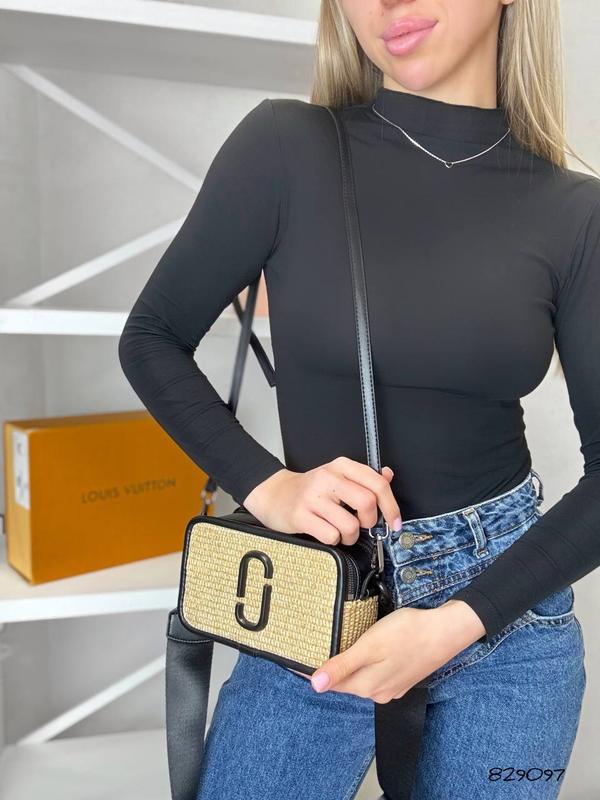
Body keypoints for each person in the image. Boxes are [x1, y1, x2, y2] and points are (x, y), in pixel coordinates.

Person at [118, 0, 599, 797]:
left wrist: (455, 624)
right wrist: (269, 487)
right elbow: (152, 337)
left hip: (507, 619)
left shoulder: (576, 212)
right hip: (316, 597)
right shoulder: (288, 146)